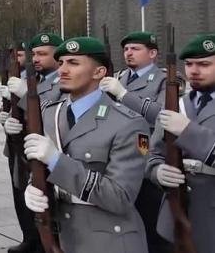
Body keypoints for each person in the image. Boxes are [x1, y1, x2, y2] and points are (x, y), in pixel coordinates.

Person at [22, 37, 149, 252]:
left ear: (99, 72)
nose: (62, 70)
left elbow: (120, 197)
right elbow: (40, 165)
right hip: (65, 236)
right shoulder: (51, 113)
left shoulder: (128, 123)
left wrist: (56, 161)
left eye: (73, 63)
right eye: (61, 63)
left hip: (108, 240)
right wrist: (33, 185)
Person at [100, 31, 169, 253]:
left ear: (153, 53)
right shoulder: (117, 77)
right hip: (116, 153)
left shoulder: (165, 80)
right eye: (126, 49)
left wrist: (123, 94)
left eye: (135, 49)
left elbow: (162, 115)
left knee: (150, 220)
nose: (129, 53)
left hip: (146, 152)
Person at [146, 33, 215, 251]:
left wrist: (188, 131)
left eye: (204, 64)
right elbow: (153, 152)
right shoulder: (178, 104)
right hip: (176, 212)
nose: (194, 70)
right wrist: (157, 171)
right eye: (189, 64)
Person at [0, 33, 64, 253]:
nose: (35, 58)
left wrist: (26, 95)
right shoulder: (32, 79)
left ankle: (45, 243)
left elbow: (53, 112)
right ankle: (30, 238)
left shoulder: (62, 81)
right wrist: (7, 120)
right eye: (34, 54)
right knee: (22, 195)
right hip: (22, 146)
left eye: (42, 54)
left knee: (46, 202)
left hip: (48, 150)